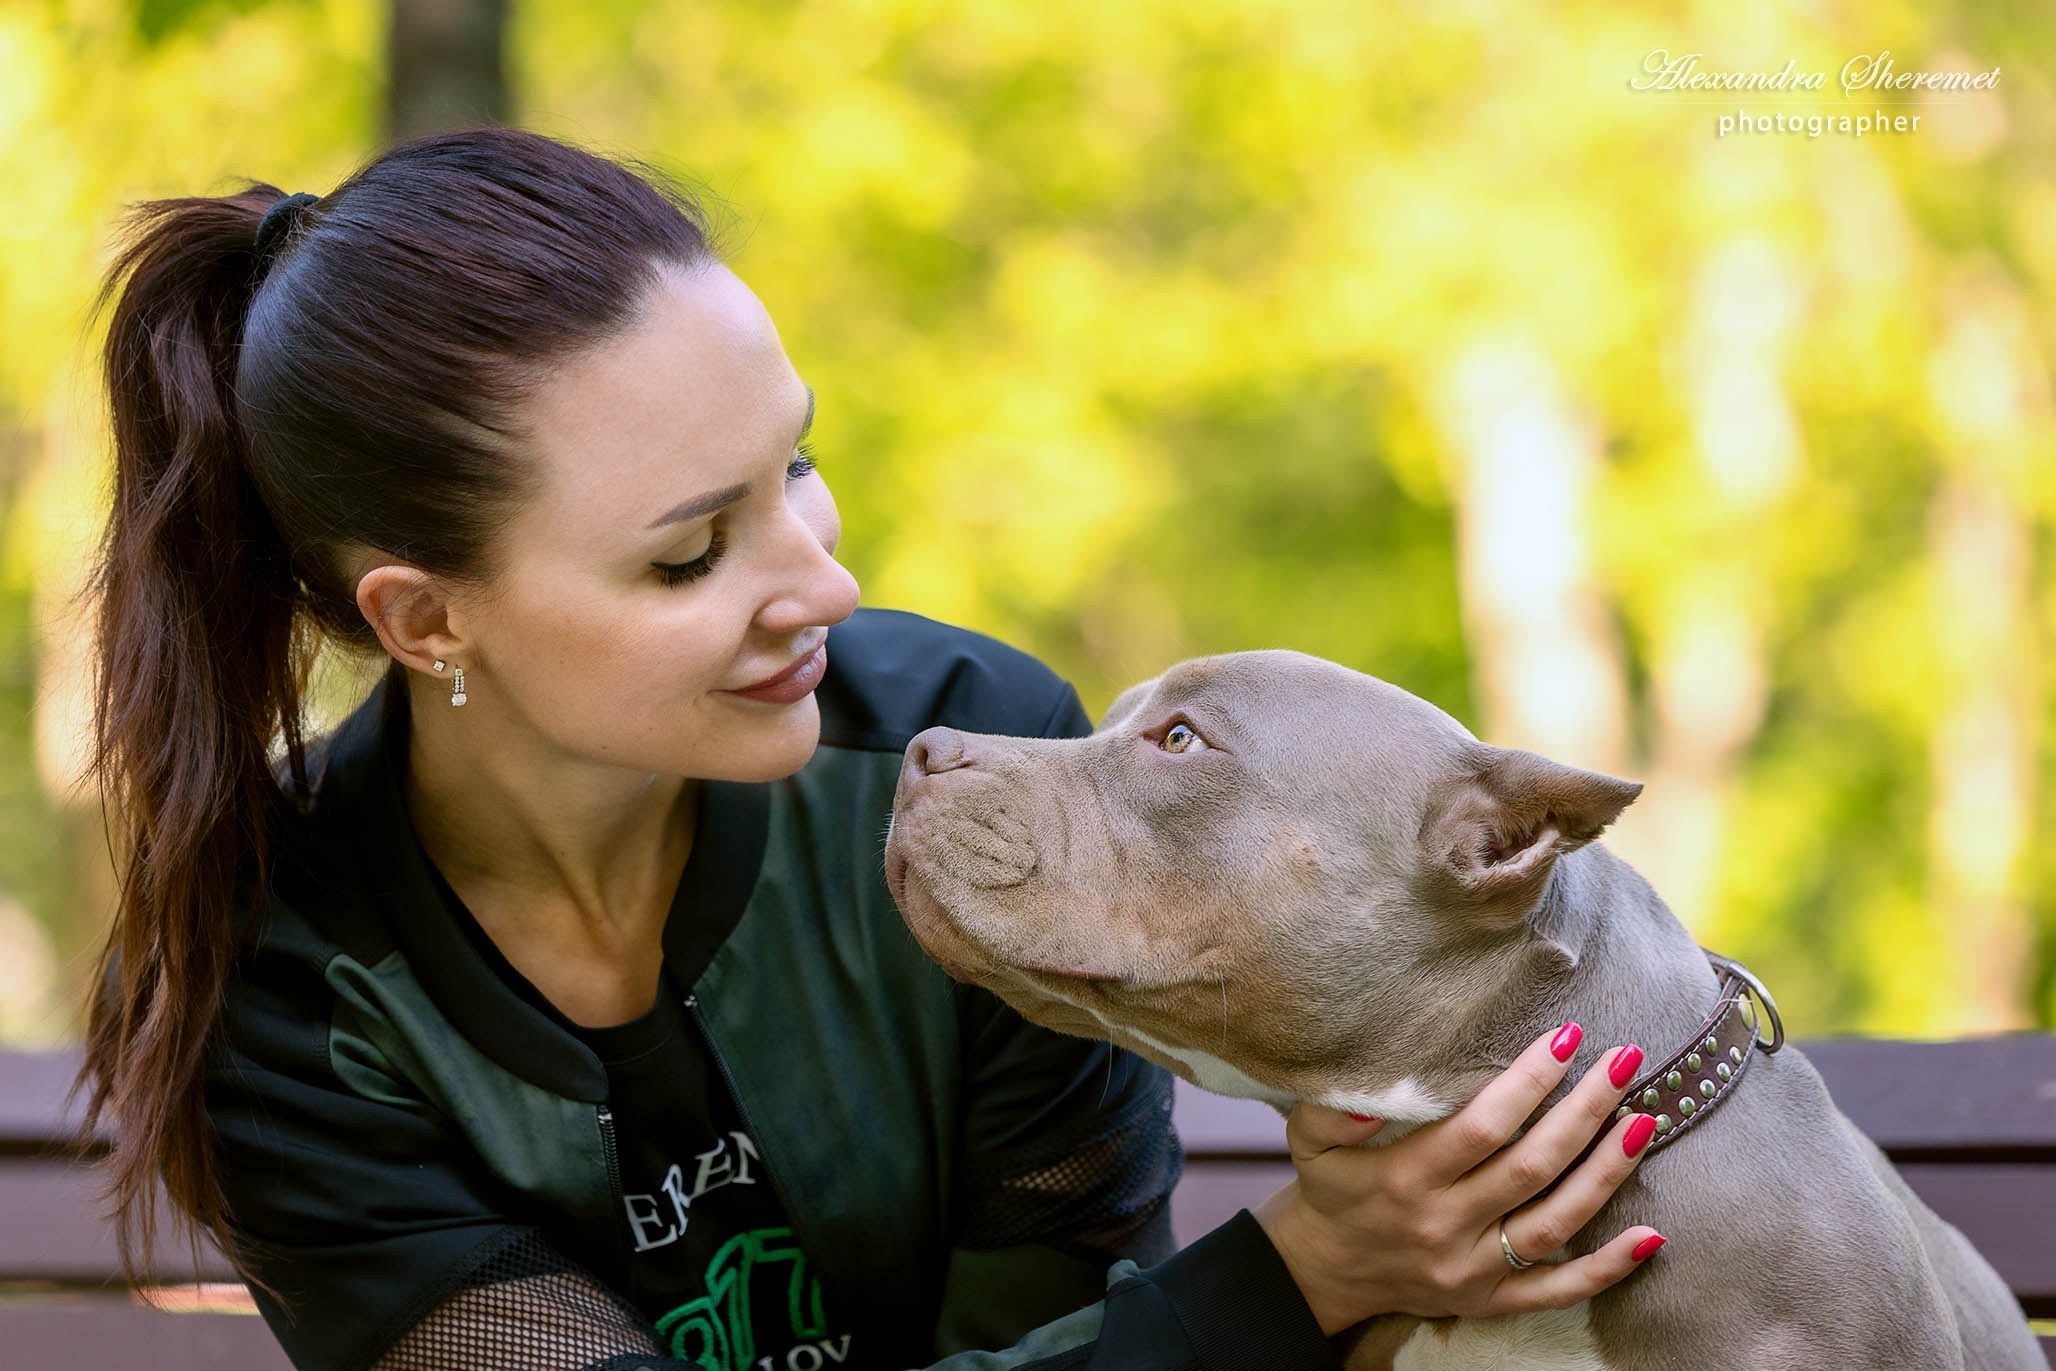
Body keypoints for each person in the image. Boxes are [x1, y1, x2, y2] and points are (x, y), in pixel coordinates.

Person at [72, 126, 1666, 1371]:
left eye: (799, 465)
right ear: (426, 624)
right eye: (693, 553)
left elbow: (1067, 1328)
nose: (826, 582)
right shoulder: (278, 992)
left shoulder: (982, 769)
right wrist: (1309, 1273)